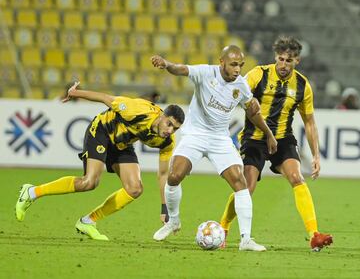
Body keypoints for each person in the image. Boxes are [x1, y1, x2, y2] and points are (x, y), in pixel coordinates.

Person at [15, 81, 185, 240]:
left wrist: (165, 209)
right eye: (169, 124)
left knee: (135, 189)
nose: (170, 130)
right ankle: (31, 192)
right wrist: (75, 93)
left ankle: (88, 221)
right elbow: (105, 98)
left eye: (175, 128)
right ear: (162, 116)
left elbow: (163, 174)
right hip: (102, 131)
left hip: (122, 143)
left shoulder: (167, 142)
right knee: (89, 182)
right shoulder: (138, 109)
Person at [151, 45, 278, 251]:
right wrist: (166, 64)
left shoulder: (242, 86)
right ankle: (172, 221)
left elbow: (252, 112)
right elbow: (181, 69)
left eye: (240, 65)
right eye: (233, 64)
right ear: (222, 62)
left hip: (220, 138)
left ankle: (246, 239)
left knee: (240, 182)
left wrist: (269, 133)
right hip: (195, 134)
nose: (237, 69)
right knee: (174, 175)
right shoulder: (206, 73)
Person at [219, 36, 333, 251]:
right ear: (275, 57)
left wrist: (316, 155)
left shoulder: (302, 85)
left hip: (283, 138)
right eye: (280, 59)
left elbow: (309, 122)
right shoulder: (258, 74)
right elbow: (234, 94)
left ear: (297, 61)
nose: (283, 65)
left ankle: (314, 234)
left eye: (288, 61)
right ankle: (223, 226)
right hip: (254, 138)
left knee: (297, 177)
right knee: (246, 187)